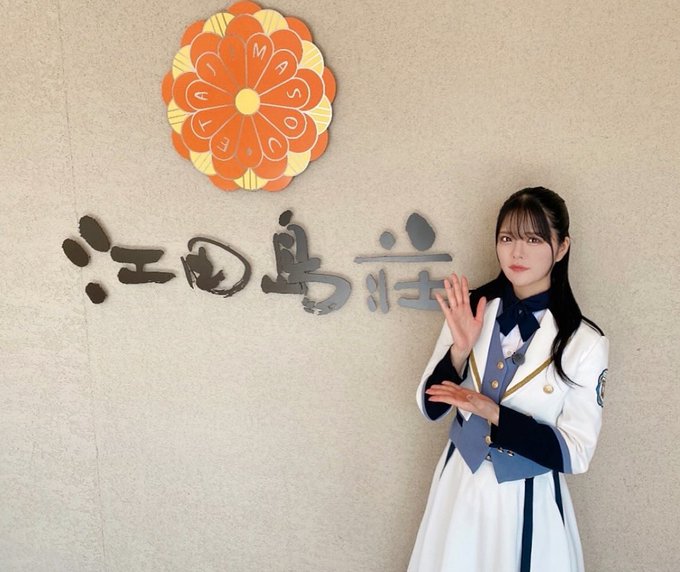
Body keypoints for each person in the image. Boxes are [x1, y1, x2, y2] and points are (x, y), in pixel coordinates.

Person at [408, 187, 609, 572]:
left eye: (534, 239)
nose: (517, 252)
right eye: (507, 238)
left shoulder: (585, 343)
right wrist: (459, 351)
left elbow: (576, 452)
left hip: (526, 498)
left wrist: (495, 414)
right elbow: (430, 407)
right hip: (459, 483)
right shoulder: (471, 309)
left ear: (562, 247)